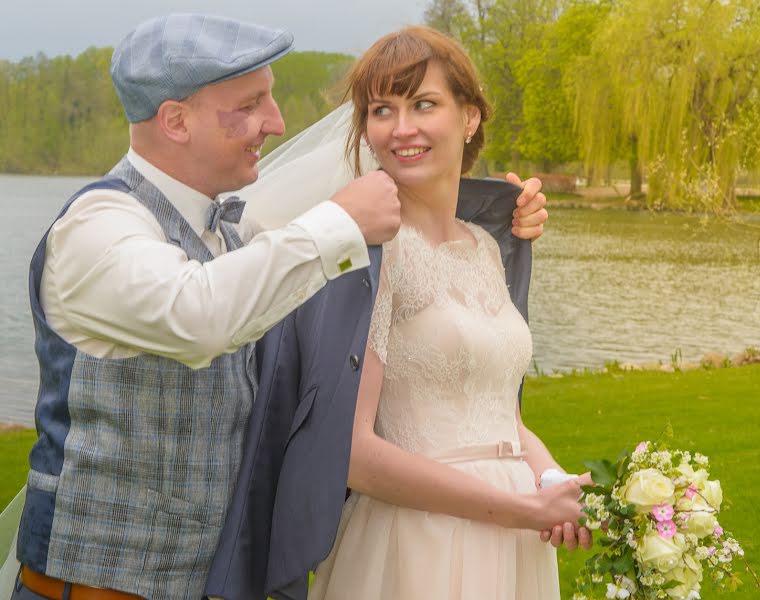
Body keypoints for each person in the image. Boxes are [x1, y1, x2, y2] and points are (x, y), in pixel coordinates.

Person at [4, 13, 549, 600]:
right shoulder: (100, 228)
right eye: (251, 104)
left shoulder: (238, 234)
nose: (277, 121)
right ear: (176, 120)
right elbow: (199, 316)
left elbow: (410, 208)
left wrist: (501, 209)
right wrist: (340, 222)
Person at [305, 26, 592, 600]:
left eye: (424, 104)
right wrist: (517, 508)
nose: (401, 128)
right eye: (382, 109)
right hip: (416, 543)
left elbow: (497, 416)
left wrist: (554, 482)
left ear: (469, 118)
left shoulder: (486, 248)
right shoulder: (370, 254)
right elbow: (354, 453)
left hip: (512, 547)